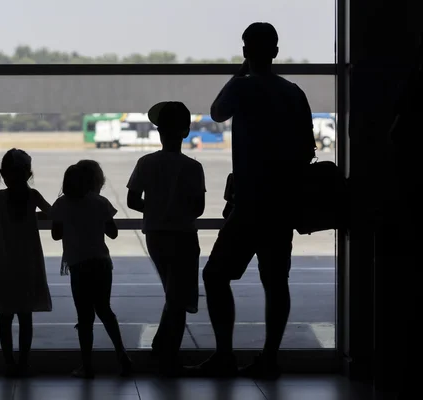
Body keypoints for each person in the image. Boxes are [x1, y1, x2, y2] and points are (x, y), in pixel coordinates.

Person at [188, 22, 317, 379]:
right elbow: (308, 149)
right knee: (276, 282)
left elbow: (216, 112)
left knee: (215, 276)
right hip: (282, 203)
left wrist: (239, 72)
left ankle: (225, 354)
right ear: (275, 51)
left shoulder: (243, 89)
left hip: (250, 202)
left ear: (246, 52)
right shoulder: (293, 93)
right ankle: (270, 357)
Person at [127, 101, 206, 377]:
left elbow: (132, 199)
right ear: (185, 132)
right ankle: (165, 353)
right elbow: (198, 208)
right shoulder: (193, 168)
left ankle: (164, 352)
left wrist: (157, 208)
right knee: (179, 296)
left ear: (159, 133)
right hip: (184, 235)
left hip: (156, 235)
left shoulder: (146, 163)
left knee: (173, 294)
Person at [51, 160, 132, 379]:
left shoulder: (61, 204)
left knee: (84, 317)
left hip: (78, 265)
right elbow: (113, 233)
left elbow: (56, 234)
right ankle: (121, 353)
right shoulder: (100, 202)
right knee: (104, 309)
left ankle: (87, 366)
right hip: (101, 263)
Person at [0, 148, 53, 377]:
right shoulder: (33, 196)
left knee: (5, 314)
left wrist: (0, 215)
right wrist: (33, 216)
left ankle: (8, 362)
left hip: (4, 260)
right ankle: (24, 362)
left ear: (2, 173)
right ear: (29, 174)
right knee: (25, 315)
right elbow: (50, 213)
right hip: (28, 261)